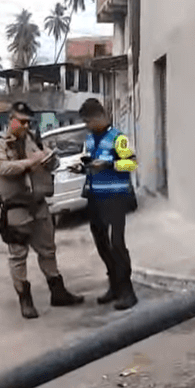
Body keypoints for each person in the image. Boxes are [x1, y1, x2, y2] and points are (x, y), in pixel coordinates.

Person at [0, 102, 85, 318]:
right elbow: (1, 167)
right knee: (18, 255)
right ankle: (25, 300)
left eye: (28, 122)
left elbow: (52, 163)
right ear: (11, 120)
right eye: (21, 122)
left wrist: (49, 160)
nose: (25, 126)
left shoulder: (34, 139)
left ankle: (58, 292)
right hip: (16, 208)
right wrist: (29, 163)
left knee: (48, 250)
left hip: (39, 204)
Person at [73, 98, 139, 310]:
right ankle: (114, 286)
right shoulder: (90, 139)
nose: (87, 125)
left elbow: (132, 163)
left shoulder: (118, 138)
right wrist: (82, 168)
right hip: (95, 198)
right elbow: (93, 164)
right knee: (101, 244)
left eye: (88, 121)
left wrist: (109, 164)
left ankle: (127, 291)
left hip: (116, 198)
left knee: (117, 244)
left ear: (100, 116)